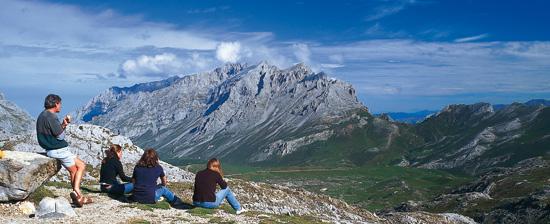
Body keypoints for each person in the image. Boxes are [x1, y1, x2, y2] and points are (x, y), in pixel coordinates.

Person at [36, 94, 92, 207]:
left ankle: (77, 194)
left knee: (81, 165)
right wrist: (65, 124)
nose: (60, 106)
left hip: (53, 148)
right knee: (74, 171)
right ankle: (78, 194)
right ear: (56, 104)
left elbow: (54, 132)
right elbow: (60, 137)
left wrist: (63, 125)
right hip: (58, 149)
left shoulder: (42, 115)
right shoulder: (51, 116)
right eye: (60, 104)